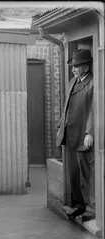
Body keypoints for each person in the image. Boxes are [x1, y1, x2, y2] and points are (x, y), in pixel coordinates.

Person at [56, 49, 95, 221]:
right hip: (69, 135)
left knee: (87, 174)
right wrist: (60, 124)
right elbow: (67, 105)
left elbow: (96, 109)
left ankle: (91, 209)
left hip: (83, 137)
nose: (73, 69)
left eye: (76, 66)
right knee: (74, 173)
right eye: (72, 66)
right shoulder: (73, 81)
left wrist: (90, 132)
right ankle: (79, 206)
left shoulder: (94, 83)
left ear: (86, 67)